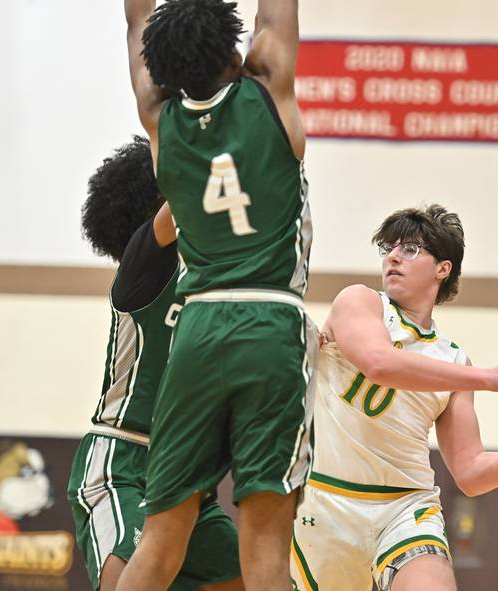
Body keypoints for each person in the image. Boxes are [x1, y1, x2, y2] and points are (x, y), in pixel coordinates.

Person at [118, 2, 314, 590]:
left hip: (197, 327)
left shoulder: (159, 118)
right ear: (235, 48)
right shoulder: (268, 90)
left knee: (158, 543)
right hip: (271, 322)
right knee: (266, 552)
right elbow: (277, 14)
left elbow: (135, 23)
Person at [291, 204, 498, 591]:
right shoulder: (360, 302)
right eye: (389, 248)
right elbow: (380, 363)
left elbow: (471, 473)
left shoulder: (454, 361)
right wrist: (488, 378)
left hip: (405, 507)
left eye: (410, 249)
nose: (393, 256)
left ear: (442, 269)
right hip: (326, 501)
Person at [66, 137, 243, 591]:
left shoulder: (210, 279)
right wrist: (217, 115)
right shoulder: (141, 263)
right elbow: (188, 189)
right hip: (122, 461)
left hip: (185, 471)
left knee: (243, 578)